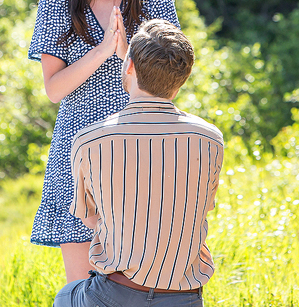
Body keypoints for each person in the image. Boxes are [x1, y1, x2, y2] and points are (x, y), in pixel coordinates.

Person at [29, 0, 180, 282]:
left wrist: (126, 51)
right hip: (79, 152)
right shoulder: (57, 1)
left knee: (137, 281)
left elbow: (168, 83)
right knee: (82, 290)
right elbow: (54, 89)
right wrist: (101, 51)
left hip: (142, 147)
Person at [54, 19, 224, 307]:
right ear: (185, 75)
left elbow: (89, 217)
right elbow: (201, 209)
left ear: (129, 66)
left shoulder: (89, 140)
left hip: (114, 295)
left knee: (65, 296)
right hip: (184, 299)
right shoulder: (210, 139)